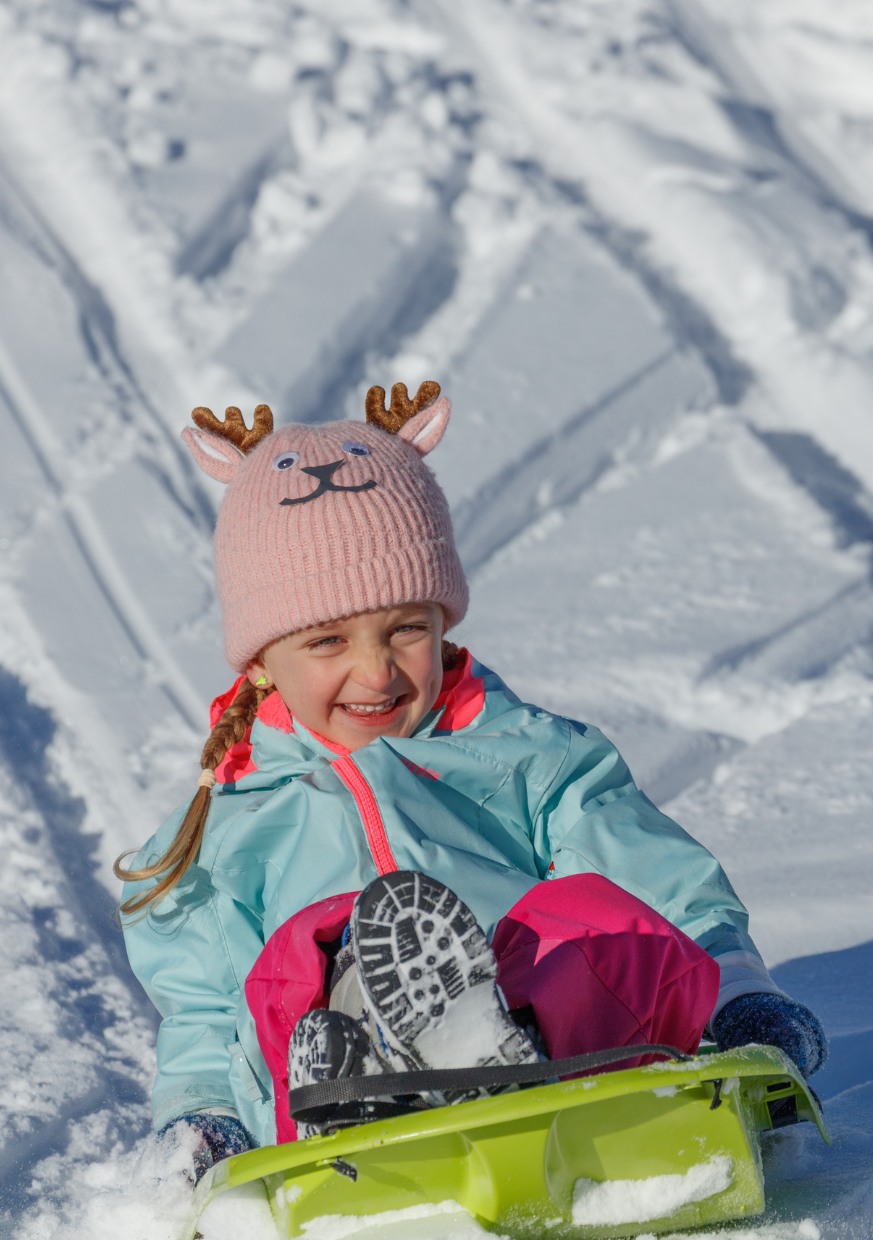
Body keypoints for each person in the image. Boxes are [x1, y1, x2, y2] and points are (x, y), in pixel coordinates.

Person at [118, 383, 825, 1177]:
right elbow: (207, 1013)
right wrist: (204, 1122)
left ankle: (483, 1044)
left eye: (406, 629)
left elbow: (661, 881)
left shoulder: (528, 756)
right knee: (298, 960)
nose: (375, 670)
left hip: (556, 1049)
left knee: (591, 921)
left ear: (444, 621)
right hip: (321, 1093)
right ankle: (371, 1067)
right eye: (326, 642)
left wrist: (737, 996)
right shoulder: (233, 826)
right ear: (259, 660)